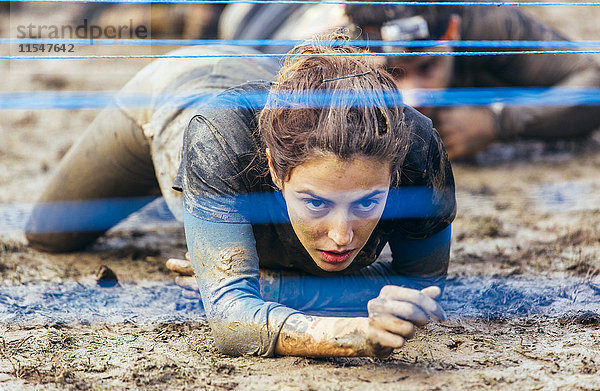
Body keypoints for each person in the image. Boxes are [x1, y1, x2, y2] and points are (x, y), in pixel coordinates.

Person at [26, 36, 456, 357]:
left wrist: (277, 288)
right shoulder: (220, 137)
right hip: (176, 91)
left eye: (366, 203)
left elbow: (424, 285)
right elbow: (231, 322)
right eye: (316, 203)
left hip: (267, 74)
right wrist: (348, 333)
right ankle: (198, 197)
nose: (342, 236)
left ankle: (217, 213)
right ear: (274, 168)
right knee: (49, 234)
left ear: (396, 172)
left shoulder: (416, 147)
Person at [219, 1, 600, 159]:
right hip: (260, 14)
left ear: (452, 32)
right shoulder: (319, 56)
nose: (414, 97)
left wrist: (498, 121)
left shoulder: (478, 20)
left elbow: (592, 81)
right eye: (393, 74)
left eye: (428, 66)